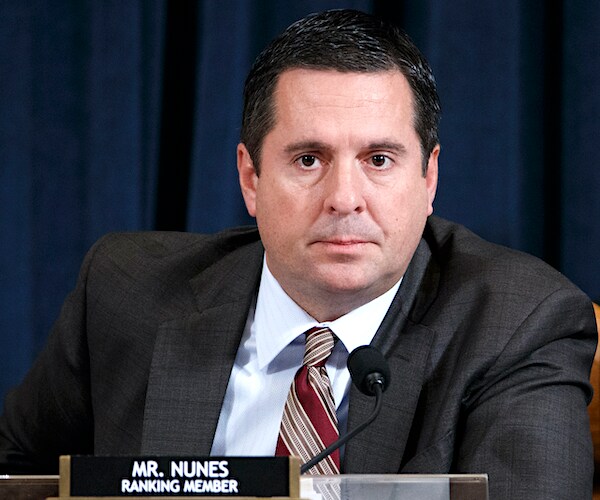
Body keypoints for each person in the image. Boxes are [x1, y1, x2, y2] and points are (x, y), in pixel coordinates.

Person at [0, 9, 596, 499]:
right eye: (308, 159)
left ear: (429, 178)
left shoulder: (517, 324)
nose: (344, 198)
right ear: (251, 178)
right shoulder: (126, 294)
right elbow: (16, 473)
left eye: (379, 160)